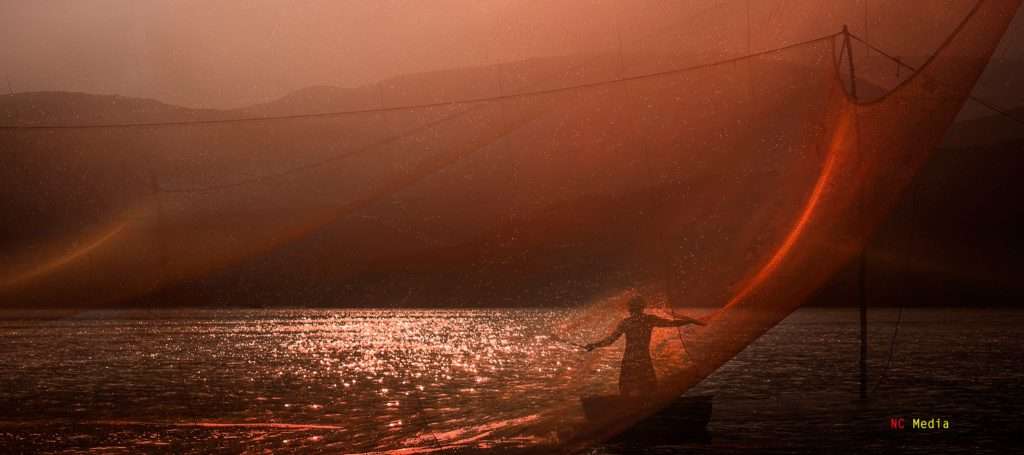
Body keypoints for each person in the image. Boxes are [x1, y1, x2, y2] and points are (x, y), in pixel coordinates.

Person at [584, 295, 706, 397]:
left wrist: (593, 345)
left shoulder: (625, 323)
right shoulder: (649, 319)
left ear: (630, 308)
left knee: (625, 388)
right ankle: (645, 407)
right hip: (643, 358)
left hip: (629, 359)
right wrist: (689, 321)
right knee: (649, 388)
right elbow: (672, 324)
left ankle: (626, 407)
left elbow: (609, 341)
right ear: (642, 307)